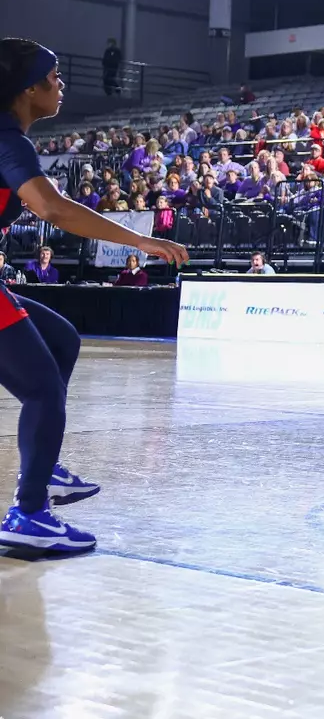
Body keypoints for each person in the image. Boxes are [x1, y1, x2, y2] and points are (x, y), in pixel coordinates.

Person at [0, 38, 190, 551]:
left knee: (61, 342)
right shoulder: (7, 141)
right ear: (28, 87)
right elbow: (54, 209)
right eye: (54, 76)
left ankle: (44, 465)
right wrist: (142, 238)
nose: (61, 85)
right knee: (42, 389)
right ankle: (29, 515)